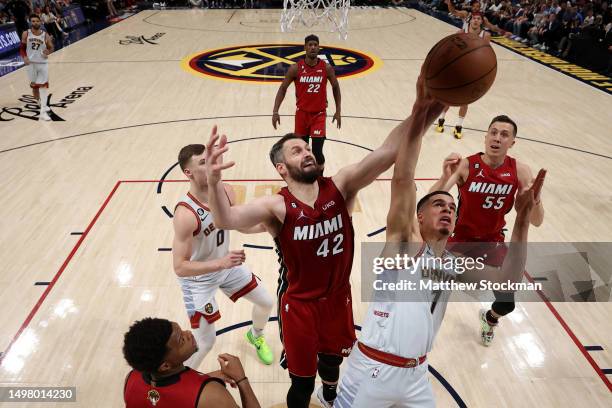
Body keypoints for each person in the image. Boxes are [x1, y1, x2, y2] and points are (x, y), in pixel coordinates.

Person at [204, 86, 439, 406]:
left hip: (338, 299)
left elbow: (388, 150)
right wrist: (214, 182)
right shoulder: (277, 207)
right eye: (296, 151)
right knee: (301, 383)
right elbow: (226, 219)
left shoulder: (342, 186)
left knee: (332, 363)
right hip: (299, 305)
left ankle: (329, 395)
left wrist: (429, 108)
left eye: (306, 147)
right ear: (282, 169)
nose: (307, 152)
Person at [335, 73, 545, 408]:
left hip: (417, 375)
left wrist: (521, 223)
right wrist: (420, 111)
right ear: (417, 218)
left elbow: (508, 279)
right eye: (439, 203)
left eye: (452, 206)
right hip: (374, 369)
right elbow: (403, 177)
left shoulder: (450, 264)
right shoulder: (403, 244)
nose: (448, 207)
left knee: (505, 299)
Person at [429, 115, 545, 346]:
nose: (497, 138)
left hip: (492, 242)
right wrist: (444, 176)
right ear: (485, 137)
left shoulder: (520, 171)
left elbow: (537, 221)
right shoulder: (467, 165)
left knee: (507, 303)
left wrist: (536, 200)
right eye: (493, 132)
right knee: (433, 288)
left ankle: (489, 318)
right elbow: (430, 202)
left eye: (504, 134)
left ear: (512, 142)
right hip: (460, 240)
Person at [172, 144, 275, 368]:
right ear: (187, 173)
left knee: (267, 302)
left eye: (211, 160)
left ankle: (255, 335)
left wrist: (266, 227)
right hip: (198, 281)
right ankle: (181, 385)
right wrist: (221, 262)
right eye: (203, 163)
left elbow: (239, 224)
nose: (211, 167)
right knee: (206, 342)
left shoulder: (226, 190)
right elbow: (180, 267)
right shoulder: (185, 214)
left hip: (226, 266)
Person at [123, 317, 261, 408]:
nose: (188, 333)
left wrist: (203, 379)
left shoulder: (131, 380)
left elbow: (168, 396)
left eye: (182, 330)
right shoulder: (212, 396)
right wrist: (241, 380)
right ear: (165, 365)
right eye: (181, 340)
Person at [272, 34, 341, 169]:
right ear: (305, 47)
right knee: (301, 152)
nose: (313, 47)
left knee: (317, 151)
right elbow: (282, 88)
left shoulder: (326, 68)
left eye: (315, 44)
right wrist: (275, 111)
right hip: (302, 115)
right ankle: (304, 177)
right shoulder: (296, 68)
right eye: (310, 45)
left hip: (319, 115)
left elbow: (336, 87)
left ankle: (320, 179)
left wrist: (338, 110)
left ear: (319, 47)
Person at [435, 12, 491, 139]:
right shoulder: (460, 33)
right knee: (449, 97)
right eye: (474, 19)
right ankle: (441, 120)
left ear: (481, 22)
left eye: (478, 19)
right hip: (458, 68)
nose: (476, 21)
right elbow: (451, 50)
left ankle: (459, 126)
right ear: (470, 21)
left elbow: (486, 54)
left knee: (465, 100)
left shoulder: (486, 36)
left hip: (472, 71)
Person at [20, 13, 53, 121]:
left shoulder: (45, 35)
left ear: (40, 22)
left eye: (37, 21)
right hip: (31, 64)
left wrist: (48, 51)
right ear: (30, 22)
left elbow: (51, 47)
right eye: (33, 21)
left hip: (42, 63)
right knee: (34, 87)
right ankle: (40, 103)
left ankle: (43, 111)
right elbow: (22, 48)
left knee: (43, 86)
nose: (35, 23)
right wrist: (24, 57)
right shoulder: (26, 34)